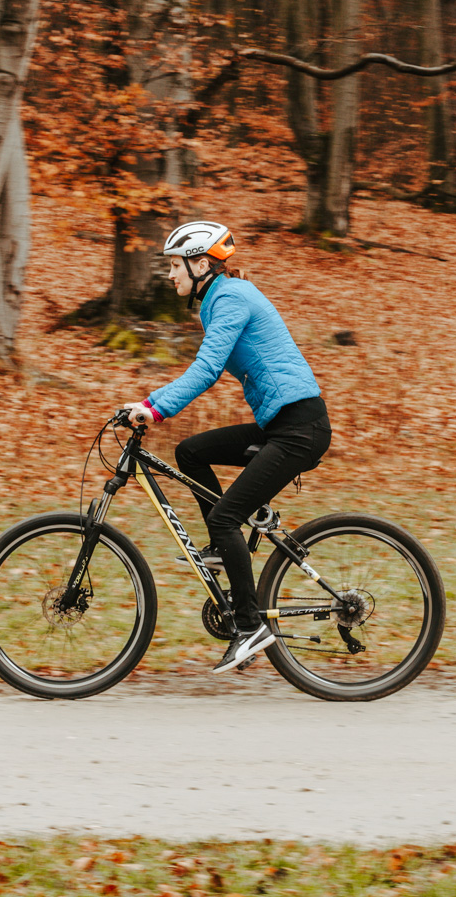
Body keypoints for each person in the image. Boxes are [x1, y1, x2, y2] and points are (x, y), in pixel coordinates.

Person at [119, 221, 331, 675]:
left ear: (201, 264)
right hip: (280, 424)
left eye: (175, 266)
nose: (170, 275)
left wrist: (153, 409)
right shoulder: (218, 300)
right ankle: (225, 545)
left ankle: (251, 626)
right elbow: (206, 367)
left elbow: (208, 368)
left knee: (224, 516)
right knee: (191, 452)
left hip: (299, 429)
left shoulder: (231, 298)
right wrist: (151, 403)